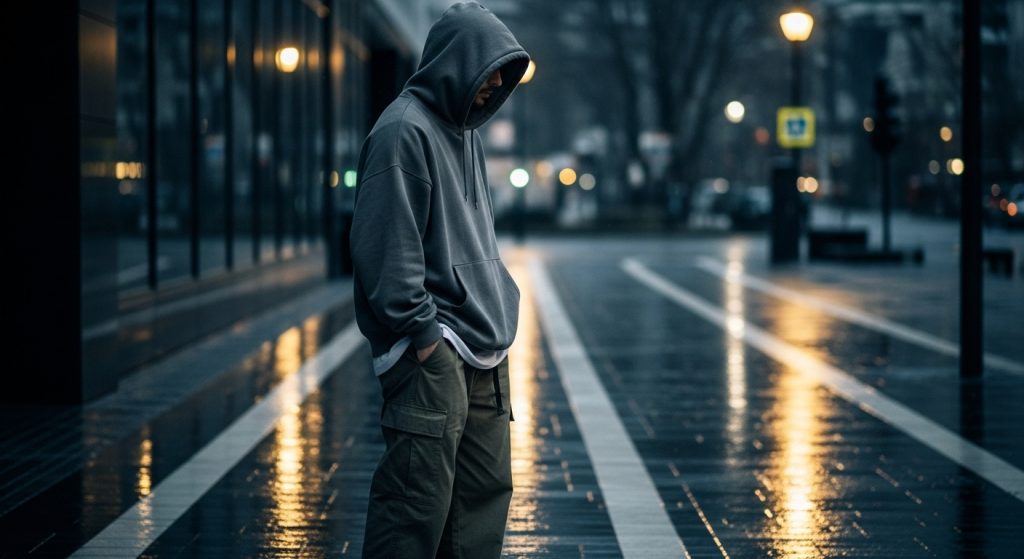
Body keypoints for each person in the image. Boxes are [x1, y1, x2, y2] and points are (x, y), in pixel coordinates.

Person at [349, 2, 529, 557]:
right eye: (489, 69)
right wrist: (425, 338)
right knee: (413, 510)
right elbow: (384, 250)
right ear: (457, 61)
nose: (496, 84)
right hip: (433, 350)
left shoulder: (466, 129)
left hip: (484, 349)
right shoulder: (403, 131)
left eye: (503, 73)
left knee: (480, 507)